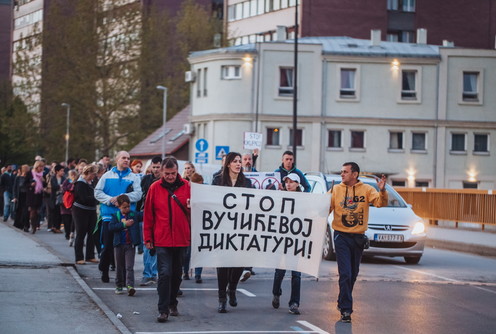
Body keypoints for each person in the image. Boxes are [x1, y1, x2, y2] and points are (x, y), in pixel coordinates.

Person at [329, 162, 388, 323]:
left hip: (358, 238)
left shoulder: (367, 189)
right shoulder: (336, 190)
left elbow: (380, 203)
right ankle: (346, 310)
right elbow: (323, 209)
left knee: (353, 274)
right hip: (341, 236)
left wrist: (382, 190)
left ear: (354, 174)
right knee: (345, 273)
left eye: (345, 172)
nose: (342, 174)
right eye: (341, 172)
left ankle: (342, 301)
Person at [143, 156, 191, 323]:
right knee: (164, 273)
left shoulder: (187, 186)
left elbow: (196, 210)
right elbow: (148, 214)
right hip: (162, 238)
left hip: (181, 237)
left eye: (173, 173)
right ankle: (163, 310)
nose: (170, 176)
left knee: (177, 274)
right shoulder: (155, 188)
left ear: (178, 171)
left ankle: (172, 302)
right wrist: (148, 237)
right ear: (161, 172)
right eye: (167, 173)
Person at [212, 152, 252, 313]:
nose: (238, 164)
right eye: (234, 161)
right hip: (223, 228)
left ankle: (232, 288)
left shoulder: (246, 182)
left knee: (239, 262)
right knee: (222, 264)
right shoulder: (218, 181)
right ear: (228, 164)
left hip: (241, 229)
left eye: (239, 161)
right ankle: (222, 298)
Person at [95, 151, 142, 283]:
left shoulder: (134, 177)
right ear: (117, 159)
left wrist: (123, 199)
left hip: (128, 217)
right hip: (109, 217)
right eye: (123, 158)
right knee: (108, 245)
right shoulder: (107, 176)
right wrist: (111, 199)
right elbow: (97, 192)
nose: (126, 160)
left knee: (126, 247)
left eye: (128, 158)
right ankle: (104, 270)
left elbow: (138, 194)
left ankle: (124, 278)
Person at [271, 173, 302, 315]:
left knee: (296, 274)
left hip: (297, 242)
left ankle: (294, 303)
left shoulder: (305, 200)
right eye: (287, 181)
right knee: (280, 272)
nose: (288, 184)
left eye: (292, 182)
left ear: (298, 184)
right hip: (282, 241)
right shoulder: (280, 197)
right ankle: (276, 293)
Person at [109, 194, 142, 296]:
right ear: (118, 206)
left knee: (129, 266)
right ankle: (119, 285)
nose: (127, 209)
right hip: (119, 244)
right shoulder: (115, 216)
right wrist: (124, 224)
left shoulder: (134, 215)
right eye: (124, 207)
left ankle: (130, 286)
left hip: (130, 245)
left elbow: (144, 215)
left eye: (128, 206)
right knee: (119, 266)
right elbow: (111, 227)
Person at [138, 156, 162, 287]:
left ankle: (155, 273)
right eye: (154, 167)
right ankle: (147, 274)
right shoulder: (146, 180)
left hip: (160, 217)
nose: (156, 169)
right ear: (151, 167)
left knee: (159, 246)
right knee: (147, 245)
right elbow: (140, 197)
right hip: (146, 215)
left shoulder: (165, 181)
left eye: (158, 167)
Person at [72, 165, 99, 265]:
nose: (94, 176)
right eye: (93, 174)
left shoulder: (92, 182)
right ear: (88, 173)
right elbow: (84, 198)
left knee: (92, 233)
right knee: (81, 233)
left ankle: (90, 256)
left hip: (91, 210)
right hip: (80, 211)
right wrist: (97, 197)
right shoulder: (80, 183)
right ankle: (79, 257)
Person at [189, 172, 204, 284]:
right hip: (189, 224)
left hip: (200, 224)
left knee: (199, 250)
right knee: (187, 251)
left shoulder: (204, 193)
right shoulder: (186, 192)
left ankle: (198, 274)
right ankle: (185, 271)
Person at [25, 160, 46, 233]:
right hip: (32, 195)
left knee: (37, 211)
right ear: (36, 166)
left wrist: (43, 181)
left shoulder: (42, 174)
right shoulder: (30, 173)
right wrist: (31, 185)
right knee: (32, 211)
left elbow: (45, 185)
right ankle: (33, 226)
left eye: (42, 167)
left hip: (39, 195)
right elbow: (25, 184)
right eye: (40, 167)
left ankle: (35, 224)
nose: (41, 168)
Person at [61, 169, 78, 245]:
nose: (73, 176)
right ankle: (68, 233)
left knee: (73, 221)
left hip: (74, 203)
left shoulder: (78, 182)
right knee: (67, 220)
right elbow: (64, 189)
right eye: (72, 175)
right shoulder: (66, 181)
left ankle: (72, 234)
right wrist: (71, 186)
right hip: (67, 203)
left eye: (74, 175)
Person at [12, 165, 30, 231]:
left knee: (26, 211)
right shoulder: (18, 178)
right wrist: (14, 197)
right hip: (19, 195)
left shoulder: (29, 178)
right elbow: (15, 187)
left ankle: (25, 225)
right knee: (19, 210)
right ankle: (18, 224)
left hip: (26, 195)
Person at [49, 164, 65, 234]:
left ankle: (57, 227)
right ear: (57, 171)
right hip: (54, 197)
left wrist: (61, 186)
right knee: (53, 212)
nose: (62, 172)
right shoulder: (53, 178)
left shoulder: (64, 178)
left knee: (59, 213)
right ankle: (53, 226)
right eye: (61, 171)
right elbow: (54, 186)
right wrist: (60, 186)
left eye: (63, 171)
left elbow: (64, 186)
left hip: (61, 198)